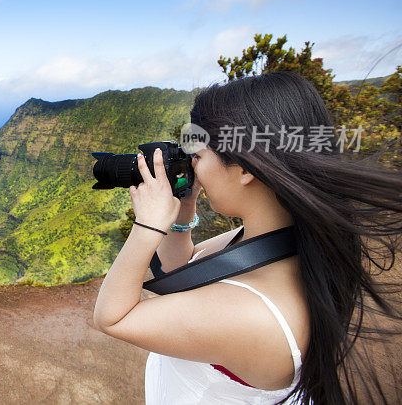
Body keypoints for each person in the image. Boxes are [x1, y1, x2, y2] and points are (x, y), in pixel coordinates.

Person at [92, 71, 402, 404]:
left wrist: (148, 226)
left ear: (245, 169)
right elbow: (181, 268)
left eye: (198, 155)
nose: (193, 168)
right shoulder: (282, 241)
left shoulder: (256, 317)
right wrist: (183, 214)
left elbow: (113, 317)